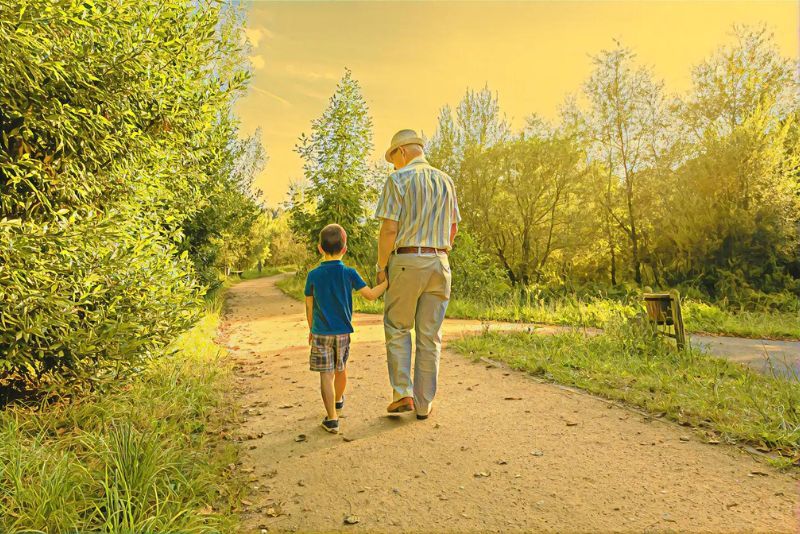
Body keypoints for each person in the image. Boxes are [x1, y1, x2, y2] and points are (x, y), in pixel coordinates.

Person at [374, 129, 460, 420]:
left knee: (398, 327)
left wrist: (381, 267)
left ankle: (402, 393)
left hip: (407, 260)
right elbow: (452, 229)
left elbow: (389, 229)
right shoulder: (446, 181)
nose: (392, 165)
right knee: (430, 335)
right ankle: (424, 404)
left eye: (392, 159)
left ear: (401, 152)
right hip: (440, 261)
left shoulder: (398, 179)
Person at [304, 223, 388, 434]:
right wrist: (388, 282)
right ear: (345, 249)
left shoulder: (313, 275)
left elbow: (309, 305)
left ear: (320, 248)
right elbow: (370, 295)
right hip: (343, 332)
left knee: (326, 375)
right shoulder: (349, 273)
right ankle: (339, 399)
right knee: (340, 368)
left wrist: (311, 329)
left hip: (321, 332)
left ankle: (332, 418)